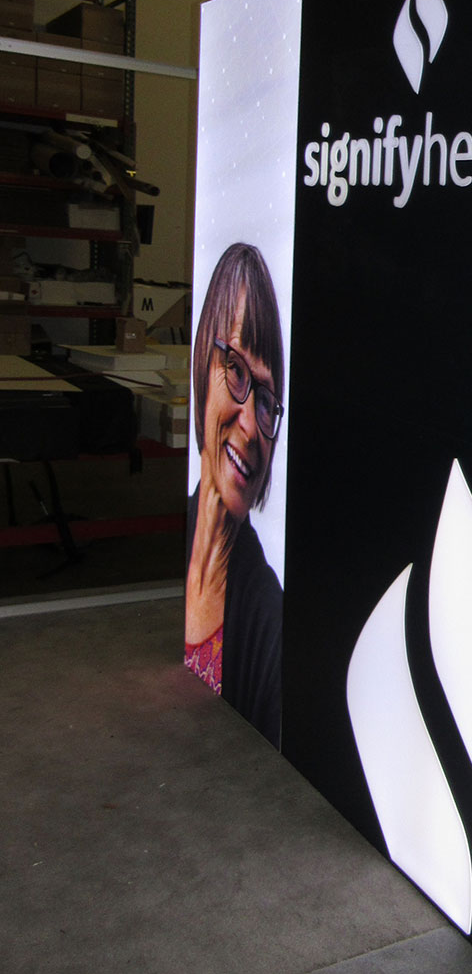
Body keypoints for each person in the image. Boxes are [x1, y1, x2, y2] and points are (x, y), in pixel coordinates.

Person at [185, 241, 285, 748]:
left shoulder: (270, 622)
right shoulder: (179, 536)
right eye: (237, 371)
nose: (250, 423)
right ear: (205, 359)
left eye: (267, 403)